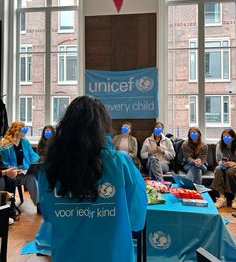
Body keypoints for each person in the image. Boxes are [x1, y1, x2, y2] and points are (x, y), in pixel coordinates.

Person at [38, 96, 147, 262]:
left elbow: (47, 213)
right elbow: (137, 218)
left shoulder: (50, 168)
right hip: (114, 255)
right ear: (103, 126)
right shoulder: (121, 163)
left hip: (68, 255)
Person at [0, 121, 40, 210]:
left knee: (31, 178)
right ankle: (10, 205)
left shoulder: (25, 142)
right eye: (23, 129)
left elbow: (33, 155)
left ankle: (39, 204)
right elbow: (4, 162)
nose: (25, 132)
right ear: (16, 130)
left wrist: (35, 162)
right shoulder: (5, 144)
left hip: (23, 173)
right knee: (12, 179)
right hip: (10, 174)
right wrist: (15, 169)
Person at [211, 128, 236, 209]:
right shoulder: (219, 145)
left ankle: (235, 198)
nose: (226, 138)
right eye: (224, 136)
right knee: (218, 169)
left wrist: (233, 164)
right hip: (224, 166)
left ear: (233, 137)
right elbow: (218, 160)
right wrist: (221, 163)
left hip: (234, 166)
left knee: (230, 171)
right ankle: (222, 198)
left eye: (228, 136)